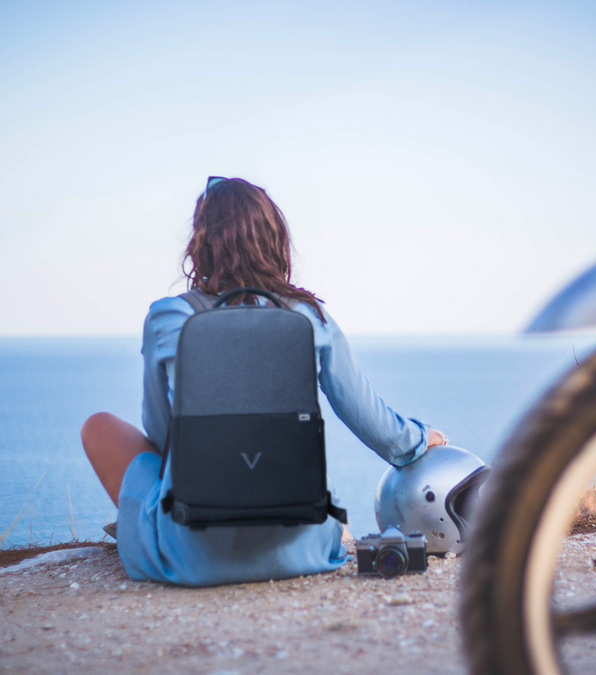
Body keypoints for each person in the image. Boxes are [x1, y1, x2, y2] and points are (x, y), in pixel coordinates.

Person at [81, 176, 448, 586]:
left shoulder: (169, 317)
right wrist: (419, 438)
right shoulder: (310, 317)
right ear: (276, 240)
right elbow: (378, 429)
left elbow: (164, 435)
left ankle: (146, 530)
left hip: (194, 557)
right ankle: (323, 526)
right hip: (306, 546)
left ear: (199, 244)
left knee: (99, 426)